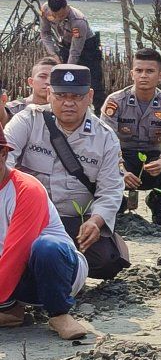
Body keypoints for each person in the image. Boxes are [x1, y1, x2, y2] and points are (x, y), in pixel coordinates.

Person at [3, 65, 127, 279]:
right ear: (49, 94)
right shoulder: (28, 120)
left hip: (75, 218)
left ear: (89, 96)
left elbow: (111, 190)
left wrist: (95, 221)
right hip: (29, 214)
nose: (68, 102)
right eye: (61, 95)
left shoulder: (105, 137)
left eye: (77, 96)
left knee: (107, 262)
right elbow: (4, 163)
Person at [0, 122, 90, 340]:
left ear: (3, 153)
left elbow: (18, 251)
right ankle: (11, 309)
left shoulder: (26, 189)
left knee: (46, 247)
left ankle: (59, 313)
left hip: (58, 271)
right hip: (12, 276)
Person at [100, 47, 161, 226]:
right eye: (139, 71)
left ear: (160, 76)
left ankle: (156, 202)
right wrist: (121, 169)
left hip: (153, 159)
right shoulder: (115, 101)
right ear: (132, 74)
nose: (143, 75)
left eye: (150, 71)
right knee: (98, 167)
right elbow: (105, 141)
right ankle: (118, 202)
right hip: (121, 156)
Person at [39, 0, 105, 111]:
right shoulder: (45, 10)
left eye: (61, 16)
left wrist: (67, 67)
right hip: (65, 44)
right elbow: (45, 33)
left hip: (87, 48)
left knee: (94, 82)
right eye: (55, 17)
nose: (58, 19)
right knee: (65, 81)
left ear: (67, 8)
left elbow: (75, 52)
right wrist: (53, 54)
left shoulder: (78, 21)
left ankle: (99, 111)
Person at [3, 57, 57, 124]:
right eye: (42, 76)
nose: (48, 82)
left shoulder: (63, 112)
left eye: (54, 77)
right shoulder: (13, 109)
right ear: (31, 82)